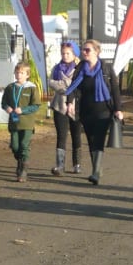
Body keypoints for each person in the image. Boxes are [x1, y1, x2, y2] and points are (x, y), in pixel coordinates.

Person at [65, 39, 124, 185]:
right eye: (83, 49)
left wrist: (118, 109)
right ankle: (96, 168)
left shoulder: (106, 68)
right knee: (91, 140)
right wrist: (69, 102)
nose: (84, 52)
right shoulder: (80, 68)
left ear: (96, 51)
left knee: (98, 139)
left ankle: (96, 172)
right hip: (85, 111)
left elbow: (115, 89)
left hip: (103, 110)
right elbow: (73, 87)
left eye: (87, 50)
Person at [47, 41, 83, 175]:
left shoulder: (79, 68)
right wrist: (68, 85)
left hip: (76, 105)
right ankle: (60, 165)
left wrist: (64, 86)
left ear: (74, 54)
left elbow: (79, 85)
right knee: (61, 135)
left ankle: (77, 164)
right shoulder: (56, 68)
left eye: (68, 53)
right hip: (59, 105)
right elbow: (51, 82)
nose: (65, 55)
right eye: (63, 53)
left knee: (76, 134)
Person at [2, 62, 40, 182]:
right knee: (14, 146)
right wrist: (7, 107)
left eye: (22, 73)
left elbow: (36, 105)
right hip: (14, 123)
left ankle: (23, 170)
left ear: (27, 75)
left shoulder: (32, 88)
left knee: (24, 145)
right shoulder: (10, 88)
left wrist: (23, 110)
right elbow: (4, 103)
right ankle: (21, 161)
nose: (19, 75)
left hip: (27, 123)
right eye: (17, 72)